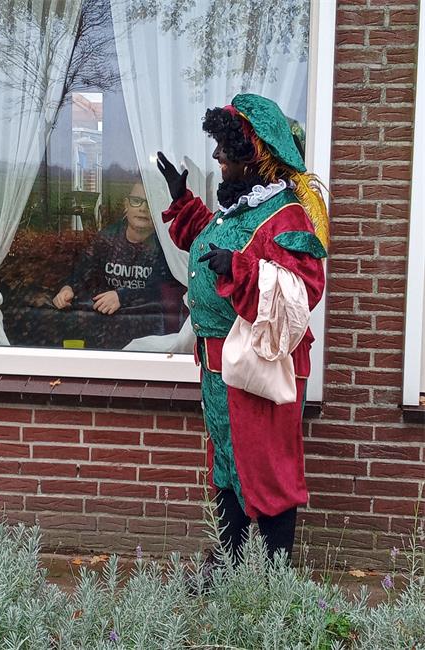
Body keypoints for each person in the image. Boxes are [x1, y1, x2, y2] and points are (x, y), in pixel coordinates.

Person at [157, 94, 329, 565]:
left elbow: (302, 291)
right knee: (227, 465)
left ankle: (274, 578)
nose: (217, 156)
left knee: (269, 470)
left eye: (226, 149)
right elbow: (212, 243)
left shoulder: (286, 215)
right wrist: (182, 201)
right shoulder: (240, 209)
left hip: (260, 366)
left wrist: (240, 269)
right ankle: (228, 564)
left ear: (254, 155)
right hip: (218, 370)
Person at [53, 182, 178, 348]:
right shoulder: (107, 239)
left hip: (148, 336)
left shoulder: (166, 246)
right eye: (136, 201)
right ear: (126, 205)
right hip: (103, 331)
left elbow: (162, 290)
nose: (143, 208)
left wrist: (122, 296)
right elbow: (83, 272)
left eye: (149, 203)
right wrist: (67, 289)